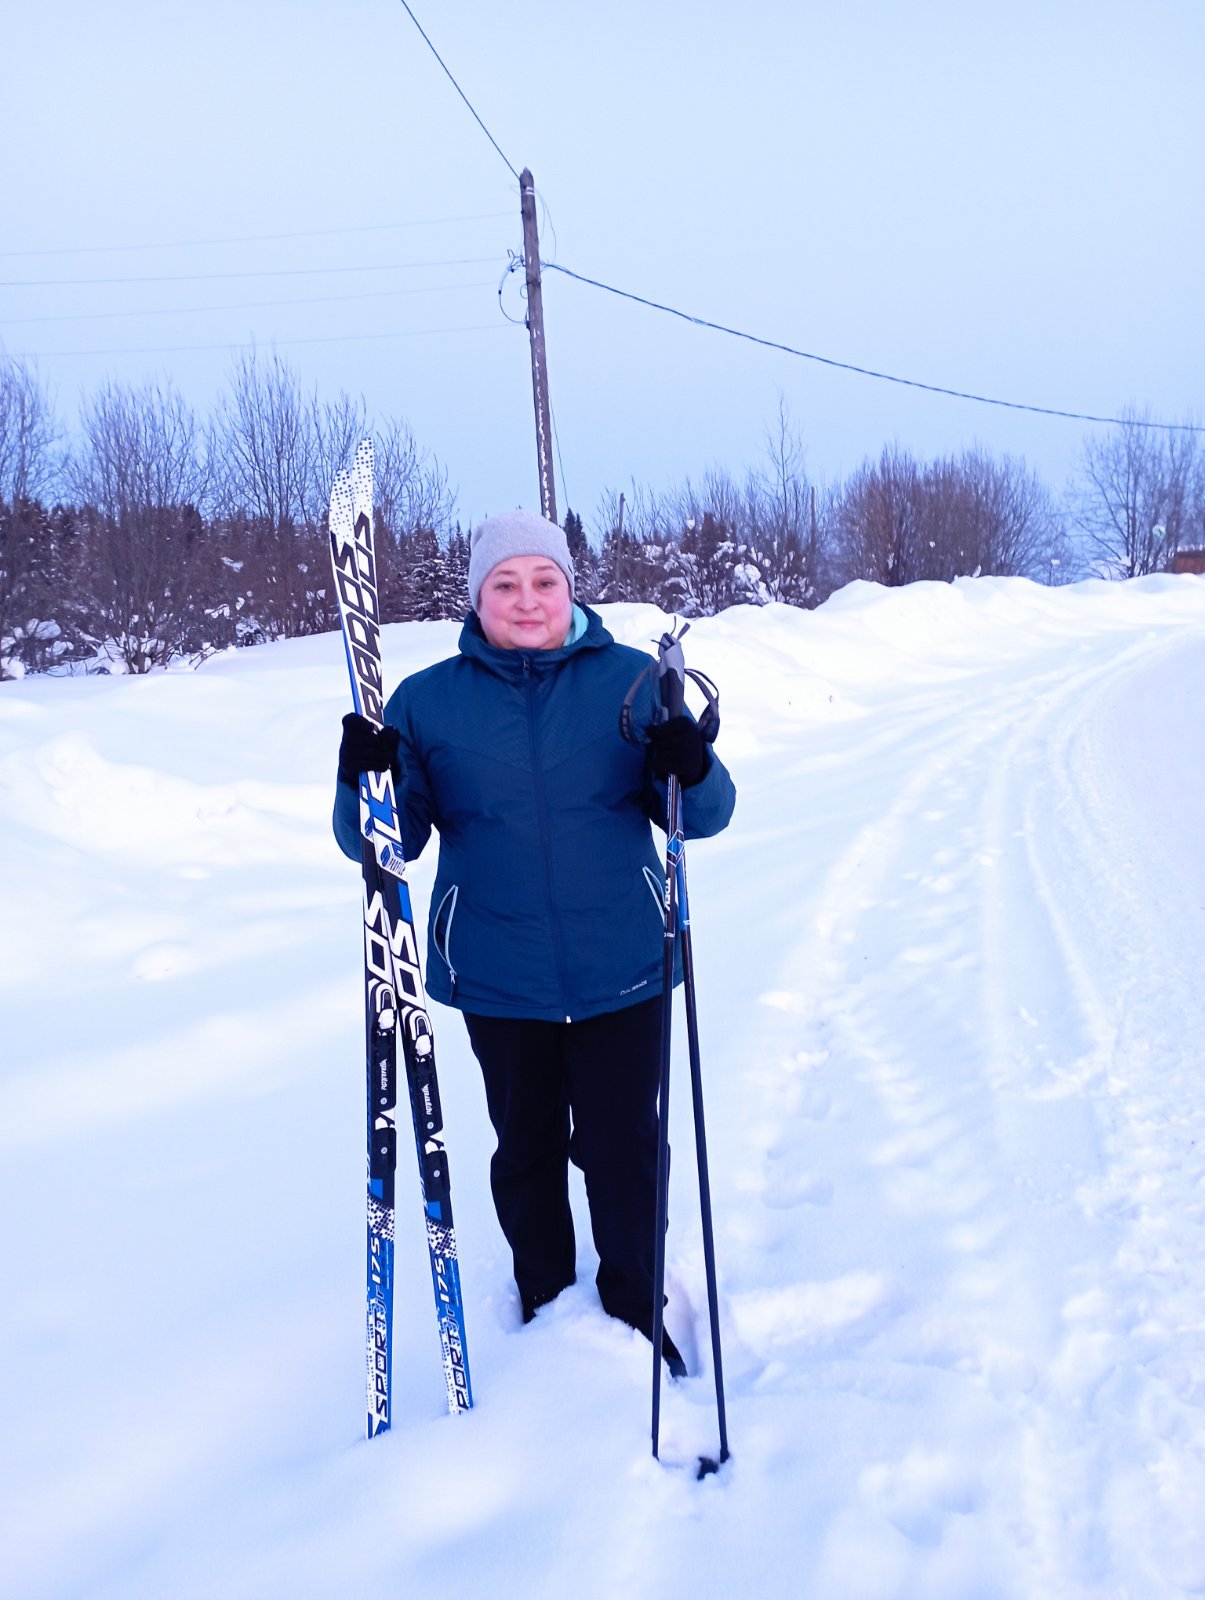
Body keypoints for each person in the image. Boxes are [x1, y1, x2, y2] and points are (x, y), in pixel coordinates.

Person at [332, 508, 735, 1375]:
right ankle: (547, 1298)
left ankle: (634, 1300)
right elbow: (384, 845)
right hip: (496, 971)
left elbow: (704, 815)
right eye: (504, 584)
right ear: (476, 598)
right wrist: (360, 778)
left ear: (569, 588)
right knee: (525, 1149)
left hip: (622, 963)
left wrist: (687, 763)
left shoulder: (631, 681)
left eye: (543, 582)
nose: (525, 600)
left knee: (625, 1149)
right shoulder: (428, 700)